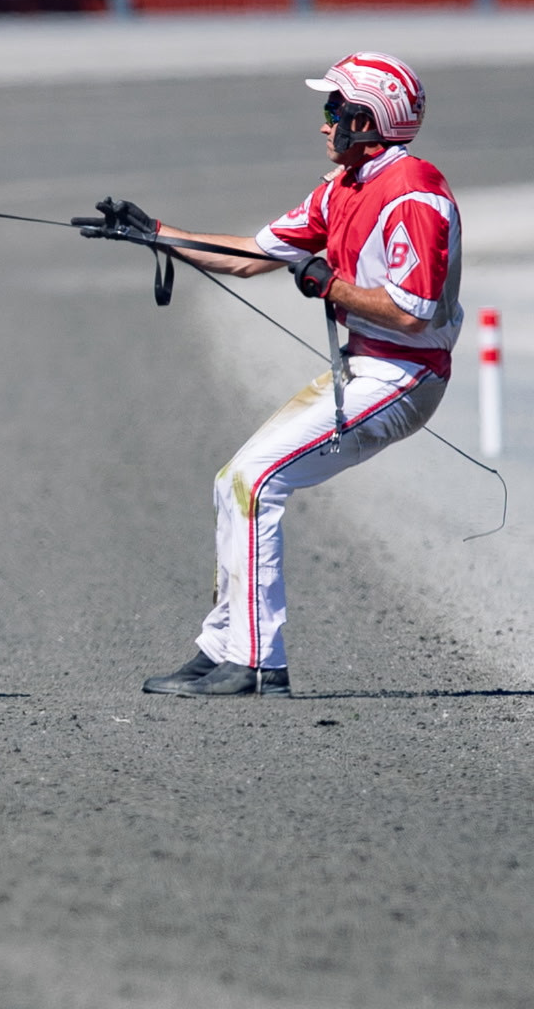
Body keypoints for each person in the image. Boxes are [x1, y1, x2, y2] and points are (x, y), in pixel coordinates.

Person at [85, 52, 461, 697]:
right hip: (367, 368)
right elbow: (250, 257)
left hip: (404, 376)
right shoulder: (343, 187)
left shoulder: (414, 195)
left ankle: (258, 663)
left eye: (334, 109)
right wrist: (153, 234)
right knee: (234, 479)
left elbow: (413, 312)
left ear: (367, 119)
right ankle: (222, 648)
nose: (324, 123)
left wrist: (331, 285)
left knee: (256, 482)